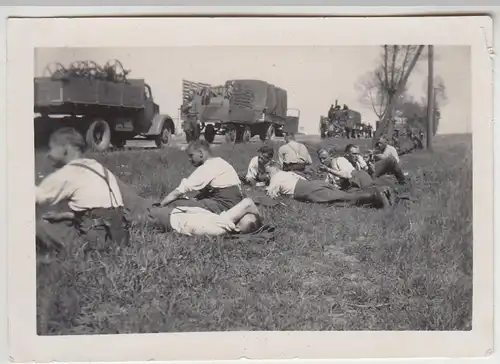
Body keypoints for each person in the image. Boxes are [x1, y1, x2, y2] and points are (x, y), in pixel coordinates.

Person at [35, 127, 130, 253]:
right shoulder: (99, 168)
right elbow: (97, 210)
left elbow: (37, 197)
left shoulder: (69, 172)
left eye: (51, 148)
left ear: (65, 148)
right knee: (64, 222)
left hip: (95, 242)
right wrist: (61, 216)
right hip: (119, 237)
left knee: (39, 226)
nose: (49, 153)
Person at [156, 140, 243, 214]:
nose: (190, 159)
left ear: (201, 153)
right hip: (235, 203)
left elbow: (180, 190)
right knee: (193, 201)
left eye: (191, 155)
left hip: (225, 205)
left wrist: (161, 204)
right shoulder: (220, 161)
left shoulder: (207, 167)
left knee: (176, 203)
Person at [264, 161, 391, 209]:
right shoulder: (287, 173)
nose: (267, 175)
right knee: (341, 199)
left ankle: (376, 194)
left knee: (343, 200)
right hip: (313, 184)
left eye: (267, 172)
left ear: (272, 170)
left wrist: (265, 188)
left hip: (306, 190)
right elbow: (302, 178)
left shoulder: (275, 178)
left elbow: (271, 194)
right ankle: (376, 197)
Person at [149, 197, 263, 237]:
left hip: (165, 218)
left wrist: (259, 219)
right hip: (172, 213)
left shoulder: (221, 226)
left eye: (240, 217)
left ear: (237, 228)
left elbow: (248, 202)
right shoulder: (222, 221)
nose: (239, 214)